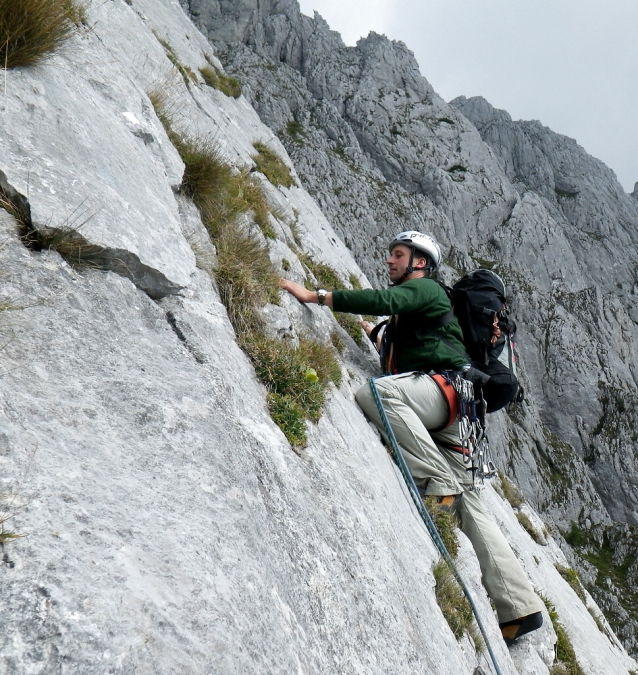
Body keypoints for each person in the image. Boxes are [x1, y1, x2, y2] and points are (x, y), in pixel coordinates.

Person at [280, 231, 543, 646]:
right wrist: (376, 337)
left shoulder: (426, 289)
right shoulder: (419, 313)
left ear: (420, 262)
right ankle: (519, 608)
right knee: (471, 504)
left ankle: (436, 482)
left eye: (397, 255)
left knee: (376, 394)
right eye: (390, 255)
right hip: (461, 410)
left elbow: (386, 301)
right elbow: (409, 338)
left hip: (444, 394)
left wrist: (318, 296)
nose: (389, 261)